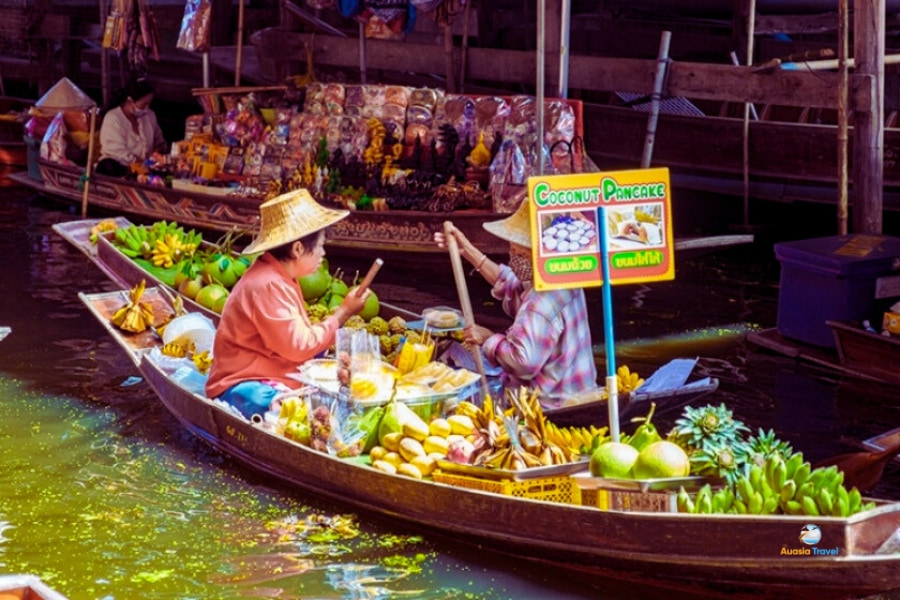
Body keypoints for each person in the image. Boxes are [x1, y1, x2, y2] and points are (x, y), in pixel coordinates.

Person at [206, 189, 371, 419]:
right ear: (297, 249)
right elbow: (299, 346)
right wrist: (343, 312)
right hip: (241, 382)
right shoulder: (268, 284)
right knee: (295, 411)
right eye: (321, 246)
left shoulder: (279, 276)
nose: (323, 253)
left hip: (276, 369)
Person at [434, 199, 599, 407]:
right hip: (580, 392)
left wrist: (488, 338)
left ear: (535, 256)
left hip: (550, 407)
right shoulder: (562, 275)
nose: (513, 258)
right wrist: (466, 250)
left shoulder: (541, 301)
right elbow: (511, 283)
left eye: (519, 253)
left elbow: (523, 363)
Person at [95, 78, 167, 177]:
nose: (147, 108)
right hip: (118, 171)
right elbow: (117, 153)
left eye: (149, 104)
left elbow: (159, 141)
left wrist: (156, 154)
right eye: (144, 105)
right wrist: (143, 164)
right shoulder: (113, 119)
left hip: (146, 170)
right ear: (130, 101)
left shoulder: (149, 115)